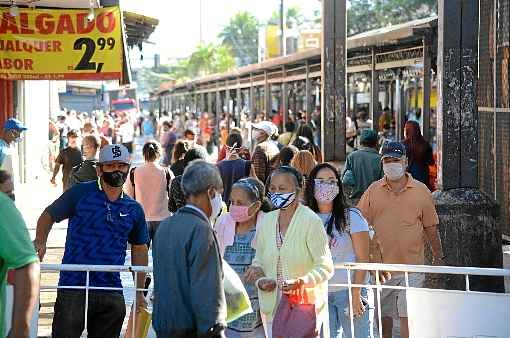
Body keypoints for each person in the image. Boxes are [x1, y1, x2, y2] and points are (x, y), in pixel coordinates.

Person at [34, 144, 149, 338]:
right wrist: (40, 241)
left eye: (121, 165)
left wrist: (138, 291)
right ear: (99, 169)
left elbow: (140, 249)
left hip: (110, 288)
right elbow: (48, 215)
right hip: (73, 285)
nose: (117, 170)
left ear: (128, 168)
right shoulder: (79, 193)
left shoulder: (134, 208)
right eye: (111, 166)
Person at [357, 142, 445, 338]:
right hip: (382, 270)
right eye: (387, 160)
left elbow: (431, 227)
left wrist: (439, 256)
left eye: (395, 160)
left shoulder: (421, 191)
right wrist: (365, 258)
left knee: (408, 317)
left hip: (412, 269)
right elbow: (359, 224)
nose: (391, 164)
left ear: (405, 162)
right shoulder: (373, 190)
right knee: (384, 318)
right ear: (382, 164)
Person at [244, 166, 334, 337]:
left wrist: (301, 281)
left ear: (298, 191)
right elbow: (259, 259)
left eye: (282, 189)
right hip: (272, 307)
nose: (276, 193)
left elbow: (325, 267)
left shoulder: (310, 221)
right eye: (272, 188)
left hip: (302, 309)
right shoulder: (267, 220)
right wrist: (259, 277)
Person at [153, 160, 227, 338]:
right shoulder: (201, 230)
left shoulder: (166, 226)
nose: (220, 200)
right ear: (210, 192)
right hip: (193, 329)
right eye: (219, 193)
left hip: (165, 326)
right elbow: (207, 291)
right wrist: (215, 330)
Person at [304, 163, 375, 338]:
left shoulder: (352, 216)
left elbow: (363, 258)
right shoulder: (305, 217)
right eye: (320, 181)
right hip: (319, 293)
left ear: (338, 185)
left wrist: (356, 292)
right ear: (311, 185)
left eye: (330, 181)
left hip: (349, 290)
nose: (325, 185)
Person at [214, 178, 271, 337]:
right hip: (228, 300)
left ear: (256, 206)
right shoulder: (223, 221)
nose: (234, 207)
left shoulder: (267, 223)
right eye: (232, 201)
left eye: (240, 203)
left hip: (257, 303)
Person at [0, 170, 40, 338]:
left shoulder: (3, 207)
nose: (10, 199)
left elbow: (28, 263)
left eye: (11, 194)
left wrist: (20, 329)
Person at [125, 141, 173, 246]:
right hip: (163, 218)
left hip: (141, 219)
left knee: (140, 256)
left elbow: (128, 196)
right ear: (159, 154)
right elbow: (172, 194)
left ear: (144, 154)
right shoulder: (166, 172)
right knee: (160, 256)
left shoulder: (134, 172)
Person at [341, 129, 384, 205]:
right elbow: (384, 183)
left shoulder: (352, 157)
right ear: (376, 143)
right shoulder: (380, 159)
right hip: (374, 202)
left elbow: (344, 180)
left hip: (355, 202)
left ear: (361, 142)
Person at [168, 147, 209, 212]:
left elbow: (171, 208)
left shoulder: (176, 182)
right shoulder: (208, 183)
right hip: (202, 220)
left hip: (181, 220)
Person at [217, 133, 252, 202]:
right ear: (241, 149)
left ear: (225, 147)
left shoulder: (218, 166)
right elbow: (256, 185)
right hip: (242, 205)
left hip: (223, 206)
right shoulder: (248, 165)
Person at [402, 120, 434, 190]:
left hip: (407, 183)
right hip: (423, 182)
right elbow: (431, 162)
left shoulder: (402, 145)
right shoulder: (425, 144)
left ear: (406, 131)